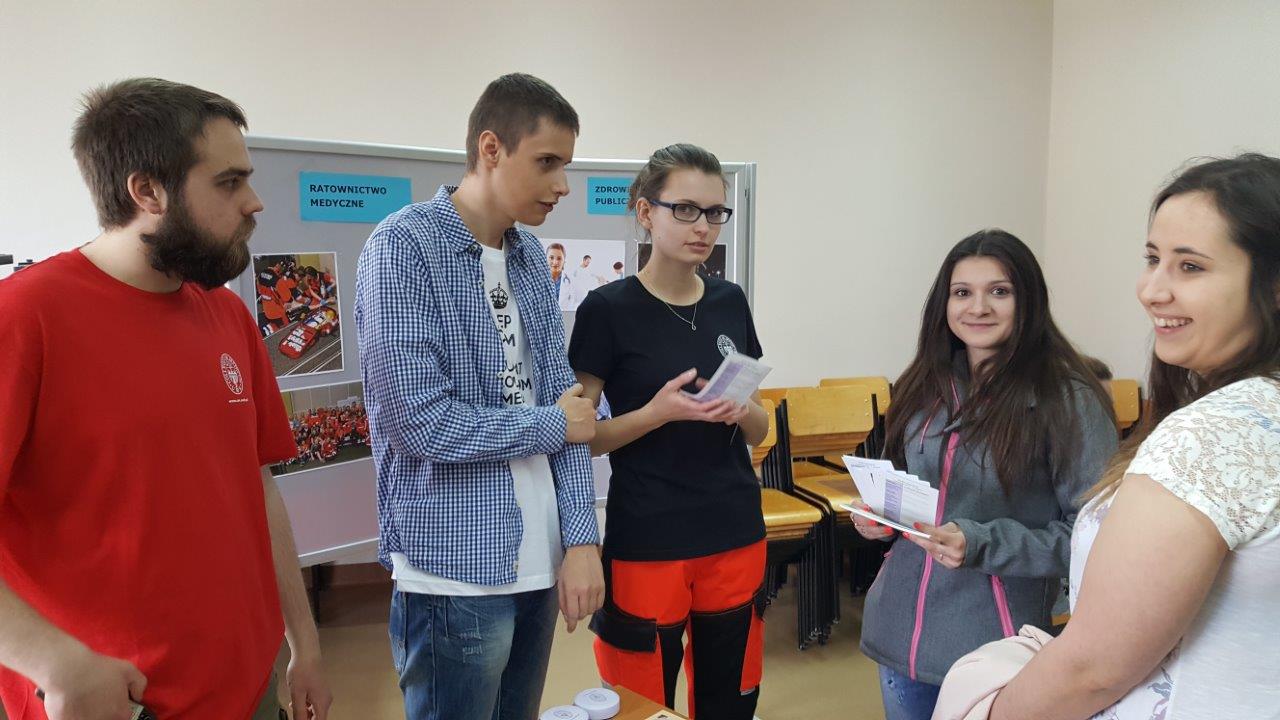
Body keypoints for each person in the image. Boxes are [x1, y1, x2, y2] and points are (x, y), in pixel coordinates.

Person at [0, 78, 330, 720]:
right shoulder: (26, 319)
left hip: (249, 688)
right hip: (121, 703)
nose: (254, 202)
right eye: (228, 183)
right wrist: (52, 661)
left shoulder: (228, 316)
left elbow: (258, 486)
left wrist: (305, 644)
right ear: (147, 192)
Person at [987, 154, 1280, 719]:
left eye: (1190, 266)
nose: (1151, 290)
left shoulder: (1211, 436)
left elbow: (1091, 671)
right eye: (1152, 259)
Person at [354, 73, 604, 720]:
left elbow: (567, 403)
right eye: (547, 162)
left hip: (538, 560)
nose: (562, 185)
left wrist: (581, 540)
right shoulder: (403, 248)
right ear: (491, 149)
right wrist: (553, 425)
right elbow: (420, 423)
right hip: (452, 573)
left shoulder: (528, 256)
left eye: (567, 165)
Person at [853, 229, 1117, 720]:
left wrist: (981, 542)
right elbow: (909, 483)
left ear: (1028, 300)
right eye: (962, 292)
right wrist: (881, 516)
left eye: (999, 291)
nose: (978, 307)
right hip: (899, 632)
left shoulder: (1068, 398)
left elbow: (1093, 538)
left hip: (992, 646)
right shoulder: (923, 383)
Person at [569, 143, 769, 719]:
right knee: (642, 705)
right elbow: (581, 436)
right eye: (684, 209)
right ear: (645, 212)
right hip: (648, 538)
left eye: (714, 212)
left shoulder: (730, 301)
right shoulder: (606, 309)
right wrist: (658, 413)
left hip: (734, 532)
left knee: (730, 701)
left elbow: (757, 428)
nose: (702, 226)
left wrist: (738, 410)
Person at [547, 241, 574, 310]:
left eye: (559, 258)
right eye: (551, 257)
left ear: (564, 261)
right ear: (545, 259)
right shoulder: (537, 281)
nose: (555, 262)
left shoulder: (572, 281)